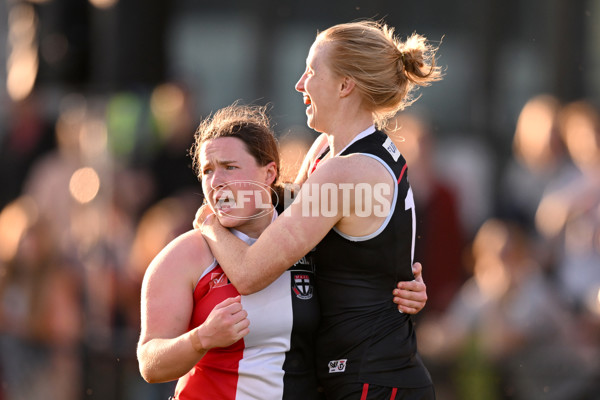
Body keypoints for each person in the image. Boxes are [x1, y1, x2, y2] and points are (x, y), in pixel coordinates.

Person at [199, 20, 441, 399]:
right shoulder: (327, 151)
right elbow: (277, 219)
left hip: (374, 380)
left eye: (312, 71)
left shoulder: (346, 171)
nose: (300, 84)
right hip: (352, 376)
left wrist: (209, 225)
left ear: (345, 85)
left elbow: (249, 272)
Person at [137, 103, 427, 400]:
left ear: (269, 173)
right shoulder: (184, 254)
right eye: (207, 170)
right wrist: (200, 339)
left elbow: (361, 274)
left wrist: (403, 286)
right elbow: (149, 363)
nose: (216, 181)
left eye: (229, 167)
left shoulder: (309, 243)